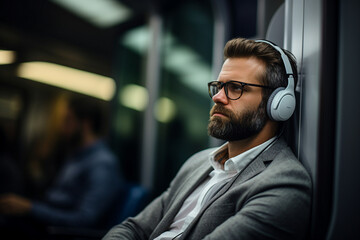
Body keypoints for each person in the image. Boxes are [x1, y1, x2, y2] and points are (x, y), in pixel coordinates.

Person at [102, 38, 312, 240]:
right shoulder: (198, 162)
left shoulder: (283, 182)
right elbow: (135, 228)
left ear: (277, 104)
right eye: (219, 86)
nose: (217, 97)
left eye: (236, 87)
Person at [0, 95, 123, 237]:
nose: (62, 127)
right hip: (44, 223)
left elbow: (85, 219)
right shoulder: (76, 156)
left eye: (68, 120)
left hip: (58, 232)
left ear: (85, 124)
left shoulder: (103, 164)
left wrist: (30, 209)